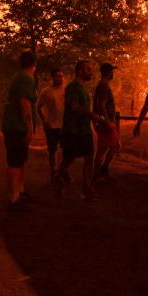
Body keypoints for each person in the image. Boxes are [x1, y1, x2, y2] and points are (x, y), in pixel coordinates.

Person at [57, 60, 104, 200]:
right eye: (88, 69)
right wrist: (92, 115)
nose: (91, 72)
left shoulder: (84, 88)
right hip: (72, 130)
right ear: (80, 71)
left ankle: (87, 189)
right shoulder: (73, 87)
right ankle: (59, 174)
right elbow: (74, 106)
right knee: (69, 157)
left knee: (89, 158)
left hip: (85, 130)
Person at [1, 51, 38, 211]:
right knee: (15, 162)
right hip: (17, 127)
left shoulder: (19, 76)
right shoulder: (26, 78)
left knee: (20, 160)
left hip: (14, 125)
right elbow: (25, 104)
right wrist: (29, 128)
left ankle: (20, 192)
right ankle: (14, 199)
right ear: (34, 64)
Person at [92, 62, 120, 180]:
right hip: (105, 123)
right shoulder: (103, 86)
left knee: (114, 146)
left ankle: (103, 170)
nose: (113, 73)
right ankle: (97, 174)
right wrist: (107, 121)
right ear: (108, 73)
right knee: (104, 149)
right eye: (111, 71)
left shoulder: (103, 85)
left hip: (105, 122)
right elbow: (100, 105)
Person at [37, 67, 65, 181]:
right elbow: (38, 107)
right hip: (51, 126)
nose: (60, 78)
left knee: (66, 150)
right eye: (58, 76)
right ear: (52, 78)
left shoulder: (66, 90)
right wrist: (44, 120)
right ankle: (53, 171)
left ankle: (62, 170)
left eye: (61, 76)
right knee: (52, 150)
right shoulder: (46, 92)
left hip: (64, 125)